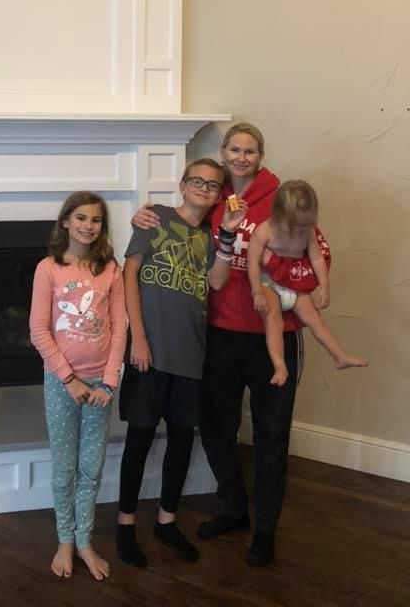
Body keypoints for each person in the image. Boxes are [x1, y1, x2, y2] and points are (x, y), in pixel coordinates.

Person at [130, 123, 297, 567]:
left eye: (251, 150)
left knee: (270, 434)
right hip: (219, 333)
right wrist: (144, 215)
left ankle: (265, 530)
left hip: (271, 334)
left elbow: (308, 250)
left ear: (260, 155)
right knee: (218, 428)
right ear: (223, 153)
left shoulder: (279, 198)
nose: (242, 157)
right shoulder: (213, 199)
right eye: (234, 150)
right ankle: (234, 508)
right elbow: (174, 231)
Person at [115, 158, 247, 569]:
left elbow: (218, 281)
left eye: (213, 185)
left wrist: (226, 234)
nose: (205, 189)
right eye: (198, 182)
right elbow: (129, 274)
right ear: (183, 184)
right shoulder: (155, 218)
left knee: (181, 439)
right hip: (148, 351)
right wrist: (138, 337)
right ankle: (125, 523)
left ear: (219, 193)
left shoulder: (211, 236)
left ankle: (167, 520)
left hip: (191, 354)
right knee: (139, 437)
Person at [29, 191, 127, 581]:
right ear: (66, 222)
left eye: (96, 220)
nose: (89, 226)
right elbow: (38, 330)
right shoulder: (49, 269)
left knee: (91, 466)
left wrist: (109, 382)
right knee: (64, 466)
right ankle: (64, 540)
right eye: (81, 218)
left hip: (100, 386)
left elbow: (120, 327)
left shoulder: (110, 270)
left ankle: (85, 540)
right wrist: (67, 379)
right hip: (61, 384)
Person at [248, 179, 367, 386]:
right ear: (277, 214)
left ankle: (339, 356)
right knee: (274, 320)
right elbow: (252, 263)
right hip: (269, 282)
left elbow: (317, 259)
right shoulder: (264, 231)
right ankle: (279, 365)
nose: (298, 230)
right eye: (293, 225)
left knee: (315, 319)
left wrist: (324, 287)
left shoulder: (308, 232)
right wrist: (257, 291)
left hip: (293, 282)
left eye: (305, 225)